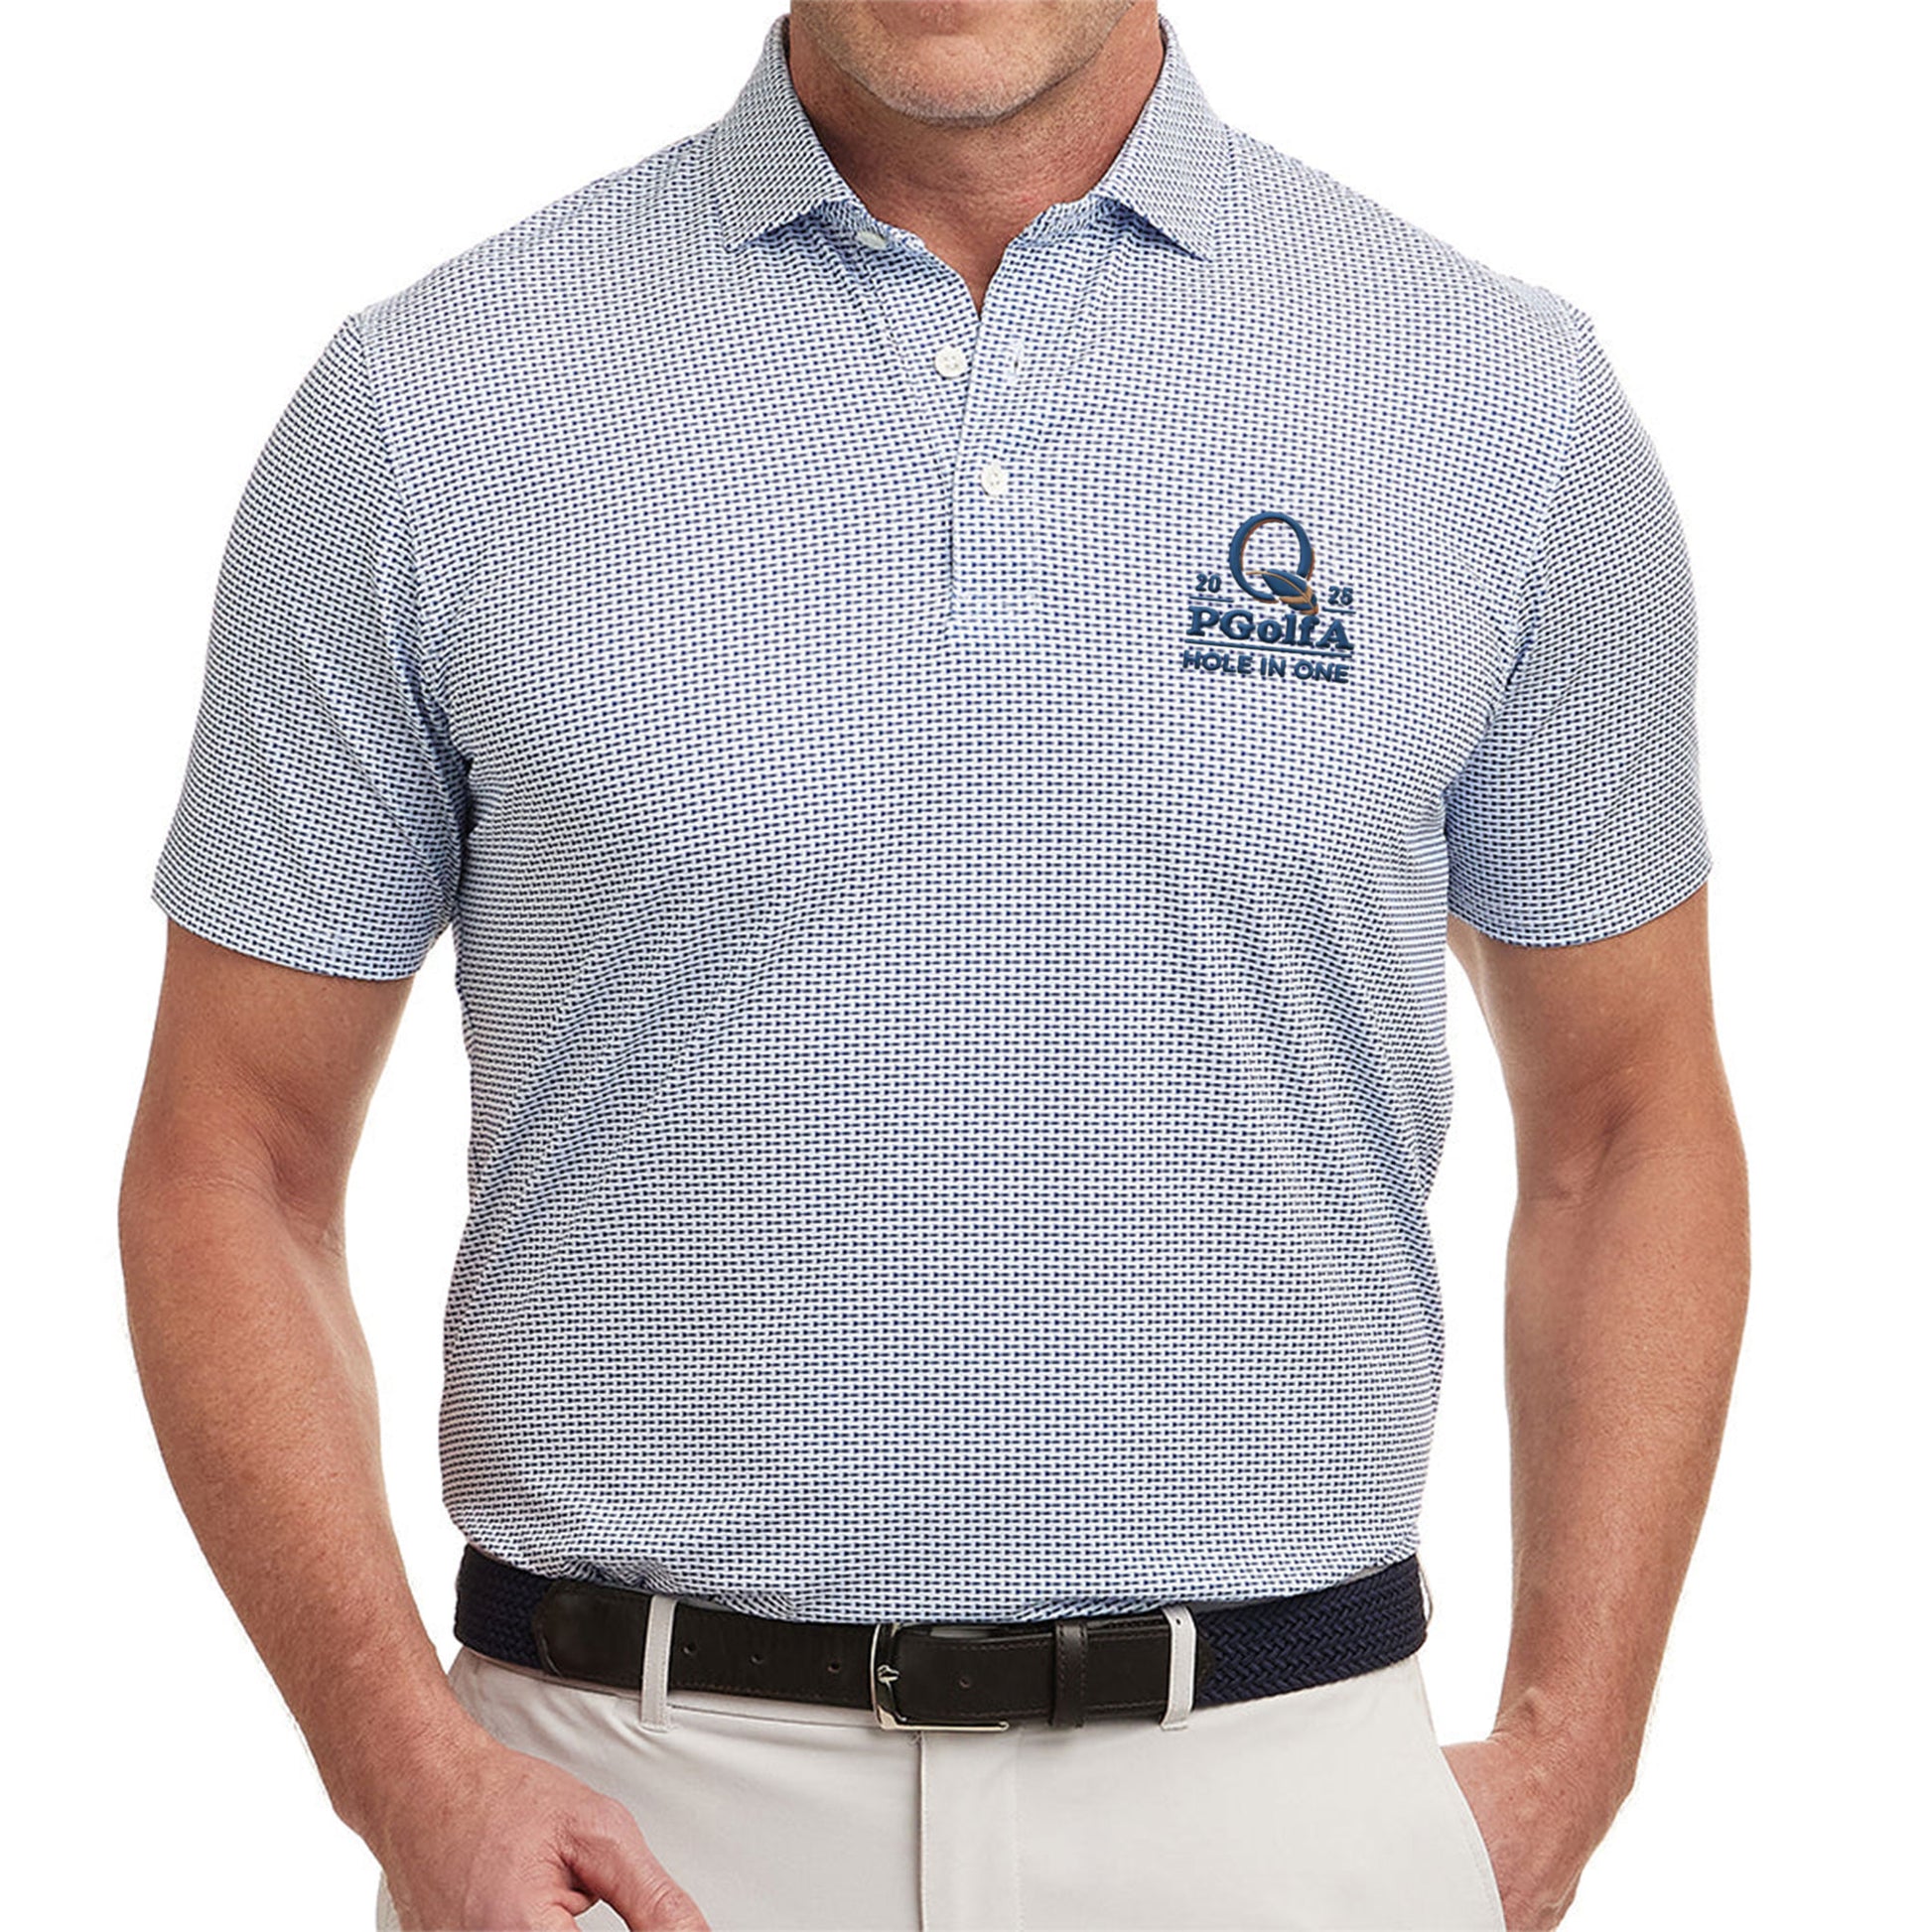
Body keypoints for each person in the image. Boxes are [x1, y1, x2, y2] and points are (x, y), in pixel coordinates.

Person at [118, 4, 1750, 1928]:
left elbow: (1628, 1125)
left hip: (1274, 1803)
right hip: (630, 1818)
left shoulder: (1493, 399)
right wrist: (406, 1771)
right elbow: (228, 1158)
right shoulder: (430, 405)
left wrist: (1570, 1755)